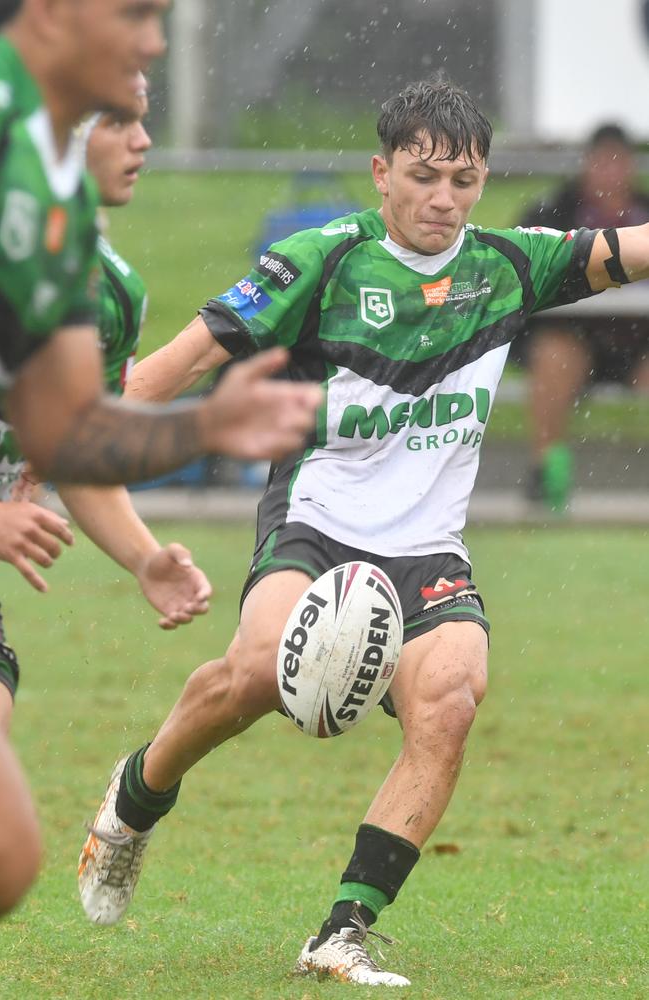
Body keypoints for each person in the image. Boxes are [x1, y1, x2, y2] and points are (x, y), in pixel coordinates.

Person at [78, 77, 649, 987]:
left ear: (484, 179)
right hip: (319, 519)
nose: (443, 200)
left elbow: (632, 248)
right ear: (382, 173)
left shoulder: (509, 263)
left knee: (452, 698)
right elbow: (182, 361)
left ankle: (342, 929)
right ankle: (136, 799)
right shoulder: (323, 259)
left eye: (463, 181)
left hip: (428, 551)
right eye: (423, 177)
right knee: (256, 673)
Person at [0, 0, 320, 917]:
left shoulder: (100, 283)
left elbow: (67, 441)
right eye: (138, 17)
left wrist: (155, 528)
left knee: (9, 856)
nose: (154, 42)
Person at [518, 123, 649, 510]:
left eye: (617, 162)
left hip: (639, 341)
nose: (609, 172)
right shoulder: (552, 210)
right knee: (554, 357)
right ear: (585, 165)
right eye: (601, 161)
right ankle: (546, 472)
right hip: (575, 336)